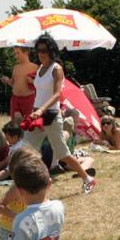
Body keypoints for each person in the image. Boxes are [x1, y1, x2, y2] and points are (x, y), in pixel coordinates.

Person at [24, 33, 97, 194]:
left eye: (44, 50)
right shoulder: (40, 68)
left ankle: (87, 179)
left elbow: (57, 94)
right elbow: (40, 92)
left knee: (63, 154)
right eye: (38, 50)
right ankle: (40, 180)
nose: (41, 53)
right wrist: (34, 110)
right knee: (26, 148)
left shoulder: (56, 69)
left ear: (51, 50)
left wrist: (42, 109)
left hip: (50, 115)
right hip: (37, 114)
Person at [0, 147, 39, 240]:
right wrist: (18, 217)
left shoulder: (33, 184)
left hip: (23, 228)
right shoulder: (17, 188)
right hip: (9, 230)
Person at [1, 46, 37, 122]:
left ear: (26, 53)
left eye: (18, 53)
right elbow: (13, 83)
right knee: (14, 123)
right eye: (15, 53)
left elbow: (40, 85)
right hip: (15, 99)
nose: (16, 56)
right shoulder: (16, 67)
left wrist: (33, 81)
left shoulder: (35, 67)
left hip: (29, 99)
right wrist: (7, 80)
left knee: (28, 122)